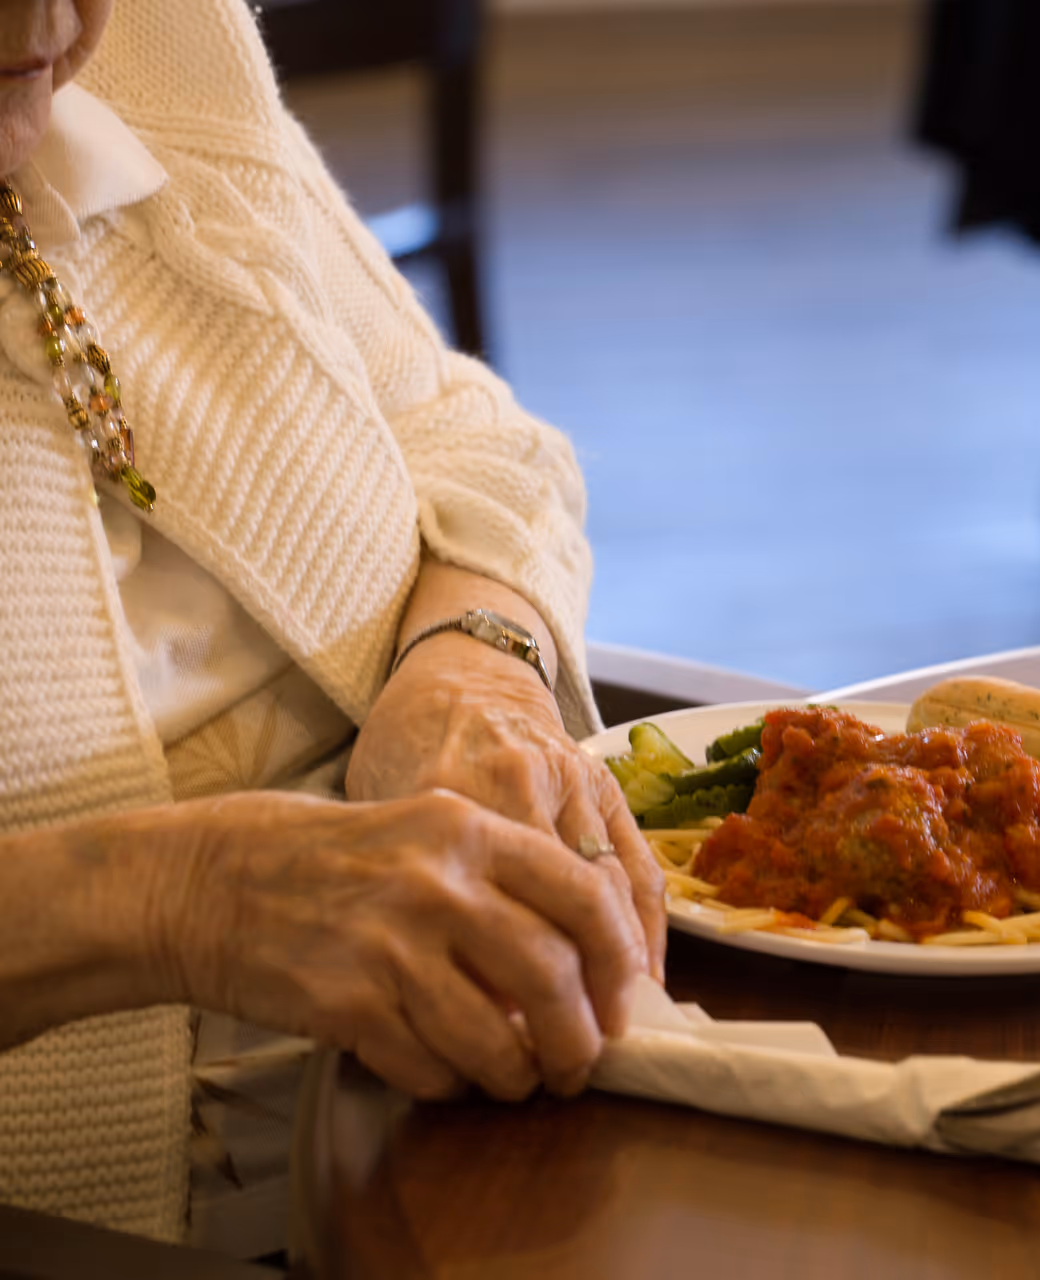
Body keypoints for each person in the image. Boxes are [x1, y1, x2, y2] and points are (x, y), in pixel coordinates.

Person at [0, 0, 667, 1256]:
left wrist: (473, 671)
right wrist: (183, 899)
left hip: (506, 1119)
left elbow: (473, 437)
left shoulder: (154, 44)